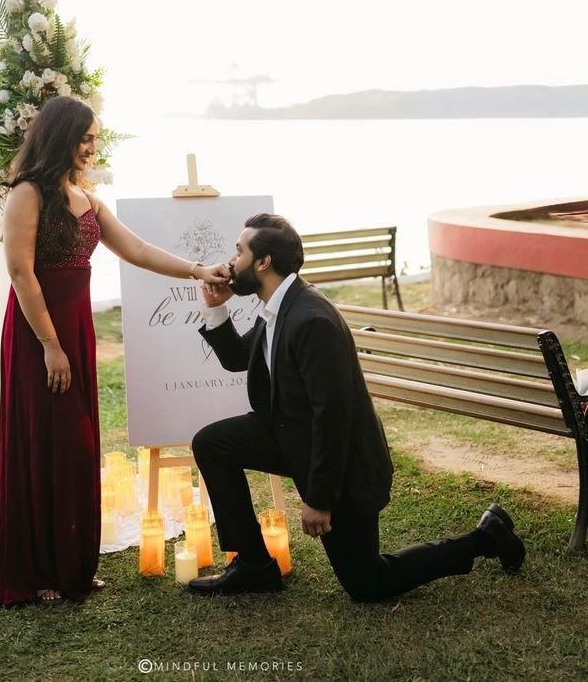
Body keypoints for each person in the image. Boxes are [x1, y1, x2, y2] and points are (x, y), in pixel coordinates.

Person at [0, 95, 229, 606]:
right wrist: (50, 346)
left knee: (77, 444)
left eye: (95, 138)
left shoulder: (84, 197)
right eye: (86, 137)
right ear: (61, 136)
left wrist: (199, 270)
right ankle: (38, 569)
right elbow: (21, 271)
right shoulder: (26, 194)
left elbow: (137, 250)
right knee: (48, 440)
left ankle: (72, 568)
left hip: (76, 332)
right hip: (38, 335)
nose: (92, 147)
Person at [188, 213, 525, 598]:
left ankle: (485, 537)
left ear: (263, 262)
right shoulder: (277, 305)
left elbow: (333, 420)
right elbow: (238, 358)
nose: (231, 262)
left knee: (367, 583)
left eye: (239, 251)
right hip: (293, 437)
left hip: (346, 466)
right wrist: (216, 308)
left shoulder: (310, 320)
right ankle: (254, 565)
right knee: (212, 443)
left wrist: (318, 500)